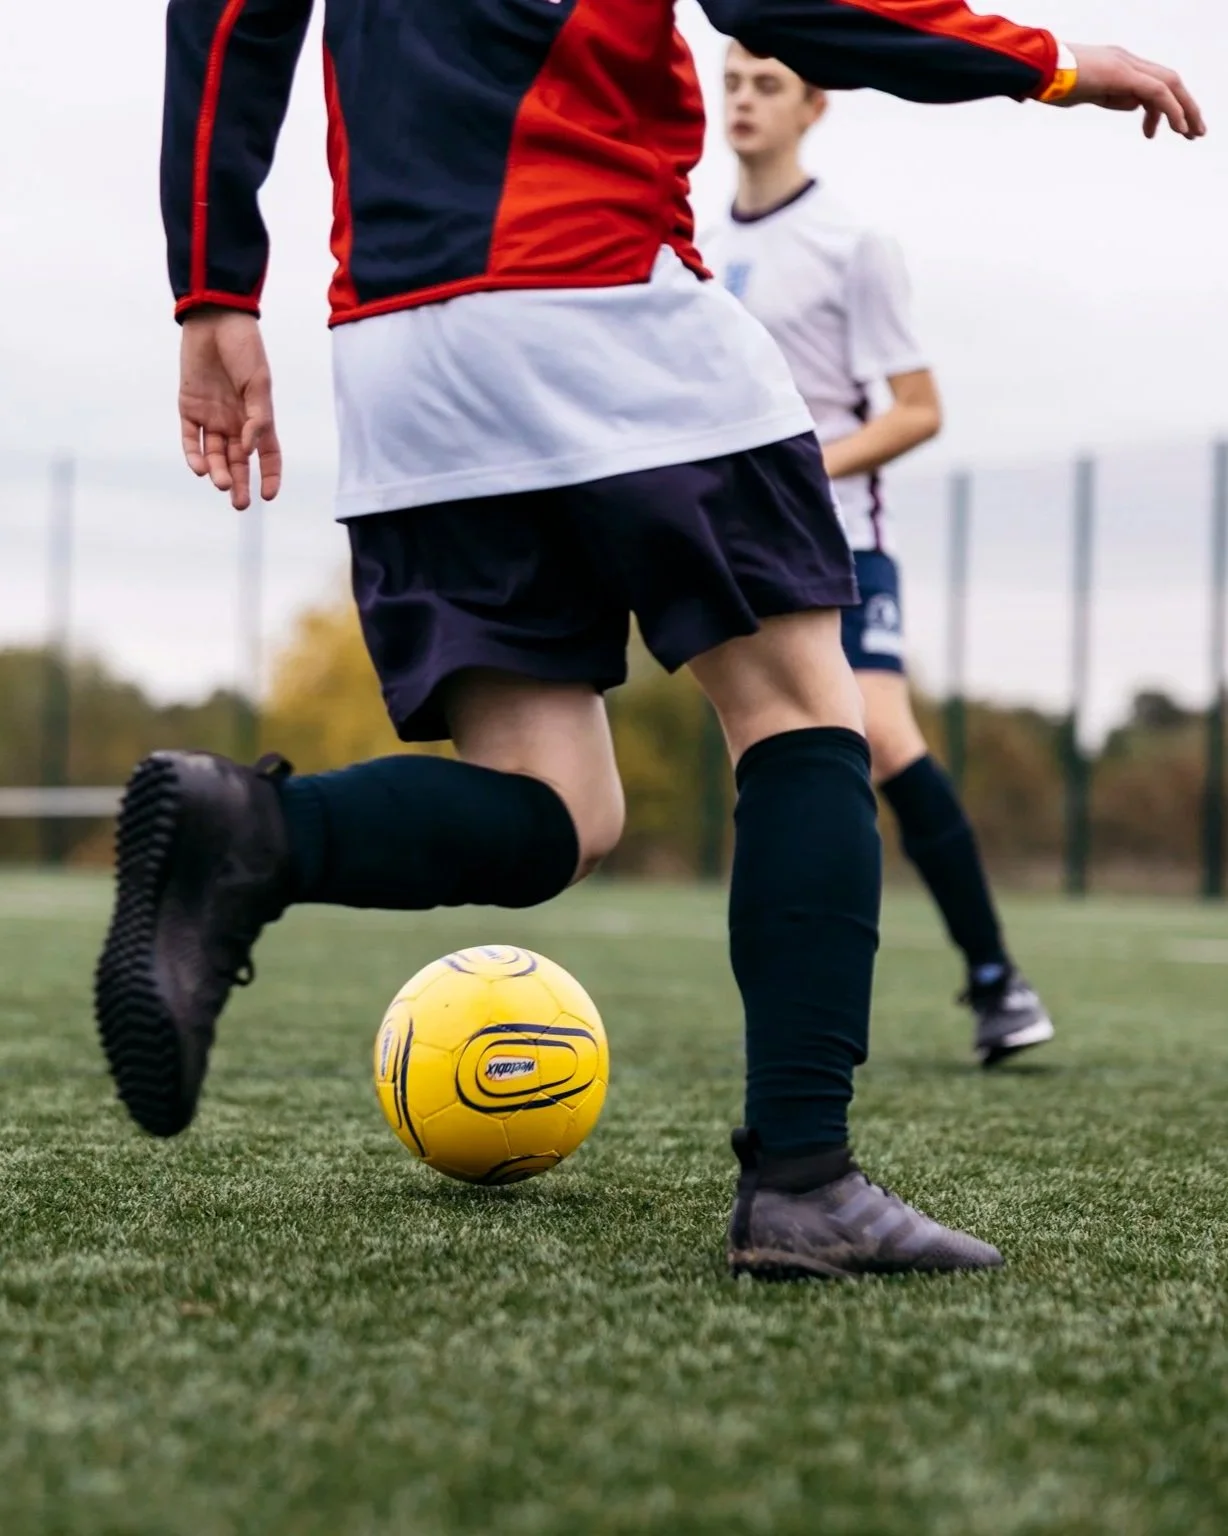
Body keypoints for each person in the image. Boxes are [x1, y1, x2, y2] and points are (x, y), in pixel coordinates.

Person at [97, 0, 1203, 1283]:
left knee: (558, 807)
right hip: (597, 291)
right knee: (800, 711)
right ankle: (803, 1180)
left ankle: (255, 831)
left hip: (395, 348)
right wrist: (1054, 65)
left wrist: (214, 286)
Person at [705, 43, 1054, 1066]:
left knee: (882, 738)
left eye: (766, 84)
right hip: (734, 542)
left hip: (842, 536)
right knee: (767, 762)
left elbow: (917, 410)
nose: (743, 101)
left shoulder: (852, 243)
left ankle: (994, 976)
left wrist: (800, 468)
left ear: (814, 103)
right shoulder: (689, 236)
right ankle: (786, 1020)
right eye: (730, 82)